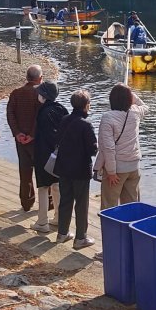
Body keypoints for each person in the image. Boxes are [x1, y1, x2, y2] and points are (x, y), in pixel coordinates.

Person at [54, 90, 98, 249]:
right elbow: (92, 150)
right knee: (81, 204)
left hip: (64, 168)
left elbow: (57, 139)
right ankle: (80, 238)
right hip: (80, 170)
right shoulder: (86, 125)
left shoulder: (65, 119)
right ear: (86, 106)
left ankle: (62, 233)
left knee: (65, 200)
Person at [96, 83, 150, 209]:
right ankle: (129, 229)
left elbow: (109, 148)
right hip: (134, 167)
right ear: (129, 99)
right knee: (131, 208)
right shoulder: (135, 113)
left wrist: (111, 172)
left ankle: (111, 229)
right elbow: (145, 107)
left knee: (109, 208)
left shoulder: (107, 118)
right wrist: (133, 96)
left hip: (116, 170)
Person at [31, 81, 67, 233]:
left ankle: (42, 222)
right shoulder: (62, 109)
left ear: (44, 96)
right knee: (57, 186)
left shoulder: (43, 112)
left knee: (43, 188)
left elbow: (44, 137)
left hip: (44, 155)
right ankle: (59, 219)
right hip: (60, 154)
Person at [6, 65, 42, 211]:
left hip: (20, 139)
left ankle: (26, 202)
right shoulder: (40, 94)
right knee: (42, 172)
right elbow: (40, 117)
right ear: (39, 78)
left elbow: (10, 114)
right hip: (37, 140)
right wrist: (32, 135)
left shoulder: (16, 93)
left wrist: (17, 133)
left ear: (27, 77)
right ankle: (49, 203)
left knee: (24, 171)